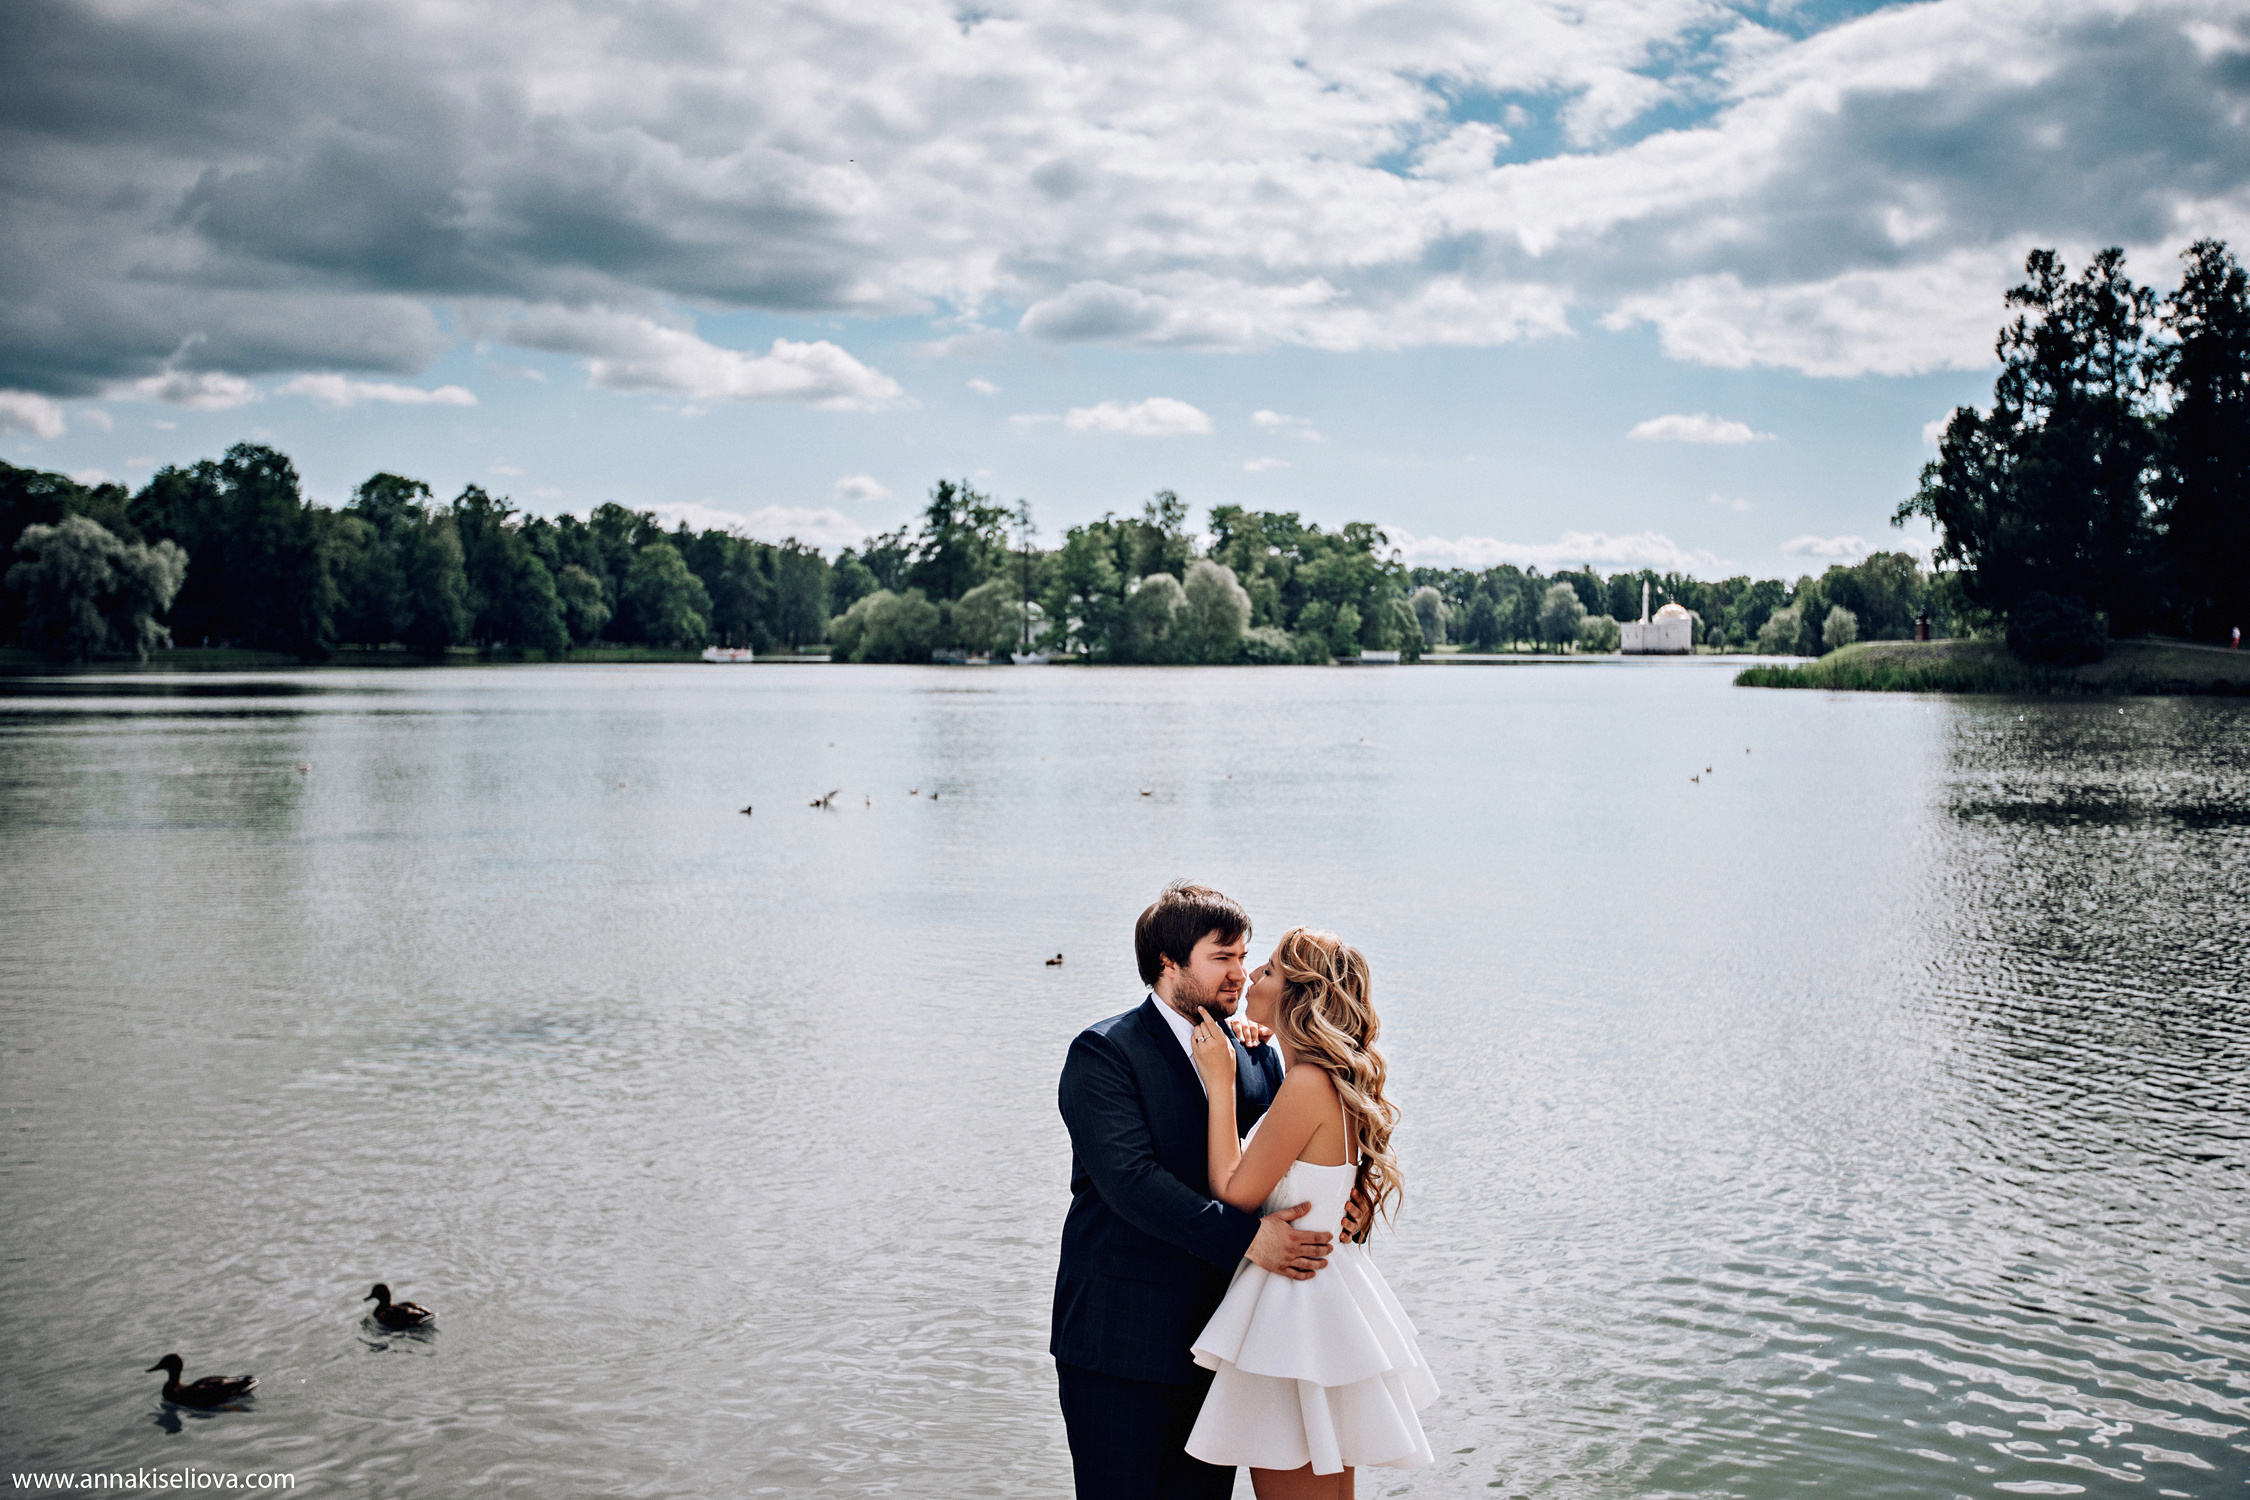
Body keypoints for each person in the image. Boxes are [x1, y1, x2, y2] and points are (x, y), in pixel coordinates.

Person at [1054, 883, 1367, 1500]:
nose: (1240, 975)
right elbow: (1133, 1183)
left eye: (1246, 957)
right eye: (1222, 957)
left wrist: (1342, 1208)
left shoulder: (1258, 1055)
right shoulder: (1105, 1053)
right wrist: (1253, 1240)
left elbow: (1290, 1163)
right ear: (1169, 963)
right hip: (1121, 1342)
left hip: (1224, 1342)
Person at [1183, 927, 1437, 1498]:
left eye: (1267, 970)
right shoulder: (1331, 1082)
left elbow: (1233, 1193)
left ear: (1300, 998)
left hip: (1293, 1311)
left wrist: (1220, 1083)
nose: (1250, 977)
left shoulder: (1305, 1084)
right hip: (1328, 1296)